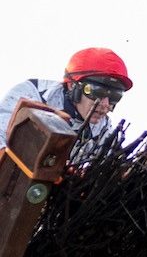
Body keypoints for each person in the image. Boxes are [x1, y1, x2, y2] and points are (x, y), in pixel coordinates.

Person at [1, 47, 133, 168]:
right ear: (71, 85)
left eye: (115, 96)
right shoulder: (32, 93)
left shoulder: (105, 129)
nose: (105, 105)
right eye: (97, 92)